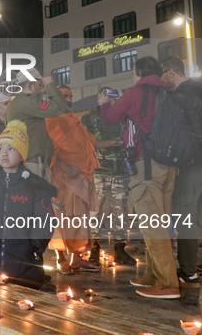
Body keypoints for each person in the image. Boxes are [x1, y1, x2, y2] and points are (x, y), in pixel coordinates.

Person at [99, 56, 179, 299]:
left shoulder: (135, 93)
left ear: (139, 73)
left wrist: (104, 103)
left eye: (133, 73)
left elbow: (111, 118)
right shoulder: (167, 92)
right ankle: (153, 276)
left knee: (152, 227)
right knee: (158, 224)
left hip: (146, 168)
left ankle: (167, 284)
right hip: (167, 166)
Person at [0, 120, 56, 290]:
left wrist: (34, 246)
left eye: (11, 149)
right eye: (0, 148)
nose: (4, 153)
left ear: (22, 154)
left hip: (24, 258)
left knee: (22, 300)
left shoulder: (34, 186)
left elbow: (45, 219)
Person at [46, 86, 122, 274]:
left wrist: (113, 142)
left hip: (82, 176)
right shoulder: (51, 118)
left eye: (71, 96)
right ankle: (61, 258)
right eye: (65, 96)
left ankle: (77, 258)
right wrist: (65, 166)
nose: (70, 99)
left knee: (80, 219)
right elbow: (49, 149)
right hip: (63, 178)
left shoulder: (73, 118)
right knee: (61, 219)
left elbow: (92, 142)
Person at [160, 56, 202, 287]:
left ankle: (188, 272)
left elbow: (180, 132)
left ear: (171, 72)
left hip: (193, 163)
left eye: (162, 74)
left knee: (186, 217)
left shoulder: (180, 95)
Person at [82, 87, 136, 266]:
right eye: (108, 98)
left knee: (120, 212)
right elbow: (84, 142)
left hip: (121, 170)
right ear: (99, 98)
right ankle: (94, 248)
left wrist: (124, 101)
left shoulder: (124, 116)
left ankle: (119, 249)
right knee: (94, 212)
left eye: (114, 98)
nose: (112, 101)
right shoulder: (90, 117)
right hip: (99, 171)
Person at [5, 69, 67, 181]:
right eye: (40, 85)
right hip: (33, 166)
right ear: (30, 85)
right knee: (39, 198)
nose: (42, 90)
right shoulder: (28, 102)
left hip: (26, 164)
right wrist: (50, 85)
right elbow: (61, 108)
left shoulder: (15, 104)